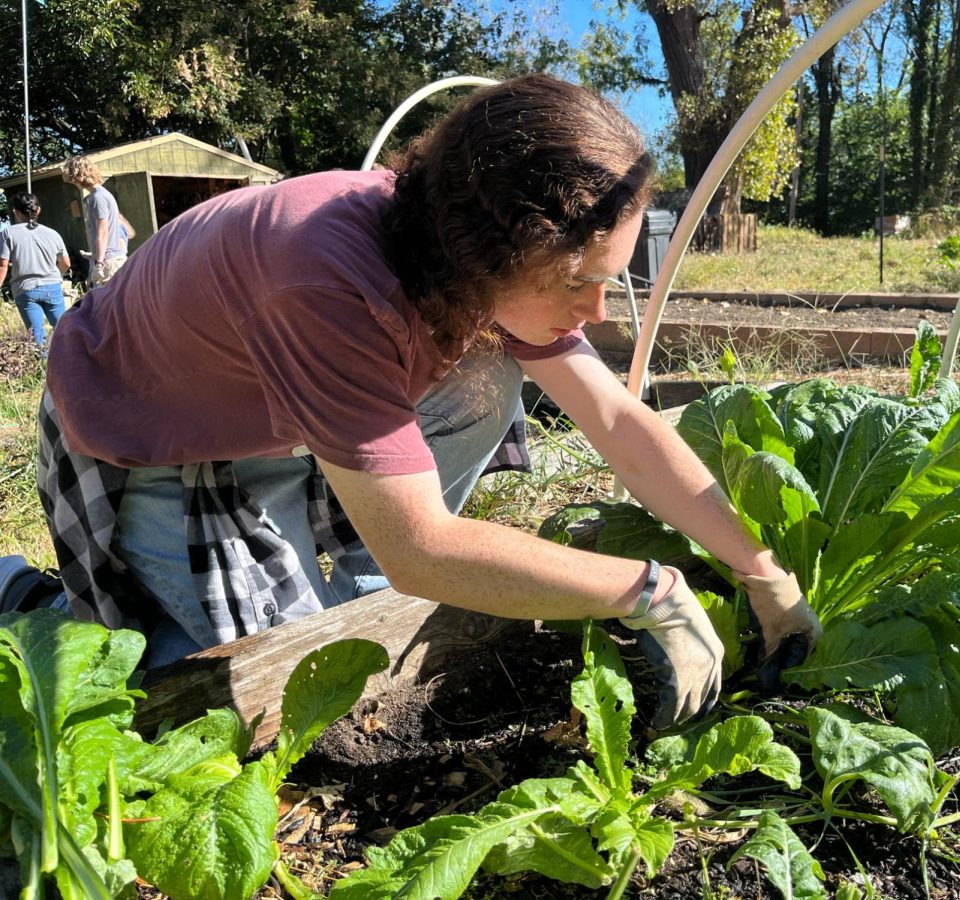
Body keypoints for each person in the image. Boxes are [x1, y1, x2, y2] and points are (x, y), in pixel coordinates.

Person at [6, 74, 821, 728]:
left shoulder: (457, 255)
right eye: (582, 283)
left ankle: (351, 592)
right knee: (246, 689)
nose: (599, 313)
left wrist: (763, 574)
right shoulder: (325, 285)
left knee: (488, 382)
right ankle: (24, 598)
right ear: (496, 255)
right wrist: (651, 591)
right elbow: (421, 547)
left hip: (275, 409)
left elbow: (619, 421)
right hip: (153, 434)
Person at [0, 191, 71, 352]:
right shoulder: (53, 234)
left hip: (25, 290)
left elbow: (2, 266)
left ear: (15, 212)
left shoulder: (7, 234)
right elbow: (66, 263)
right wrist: (56, 274)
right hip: (52, 287)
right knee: (64, 330)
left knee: (38, 337)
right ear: (38, 210)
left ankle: (45, 371)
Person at [61, 154, 127, 286]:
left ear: (78, 176)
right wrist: (94, 255)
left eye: (72, 180)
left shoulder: (98, 198)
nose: (73, 183)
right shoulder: (102, 195)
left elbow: (102, 233)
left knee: (107, 304)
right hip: (109, 258)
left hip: (108, 263)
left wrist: (99, 264)